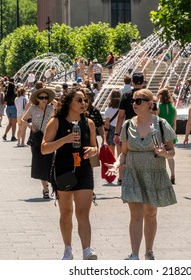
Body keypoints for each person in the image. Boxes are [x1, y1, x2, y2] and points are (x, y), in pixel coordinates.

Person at [105, 89, 177, 260]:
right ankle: (134, 254)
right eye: (133, 101)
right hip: (133, 173)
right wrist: (116, 165)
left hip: (154, 173)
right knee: (135, 215)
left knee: (151, 213)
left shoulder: (161, 124)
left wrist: (164, 153)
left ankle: (149, 251)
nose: (134, 104)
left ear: (149, 103)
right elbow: (123, 153)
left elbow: (172, 152)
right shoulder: (128, 125)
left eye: (138, 101)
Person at [41, 90, 98, 260]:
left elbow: (95, 146)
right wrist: (64, 140)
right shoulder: (56, 122)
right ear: (69, 102)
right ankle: (68, 249)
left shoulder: (89, 123)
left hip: (83, 170)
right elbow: (44, 148)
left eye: (85, 100)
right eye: (79, 100)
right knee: (66, 212)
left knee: (83, 212)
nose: (83, 103)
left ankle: (87, 250)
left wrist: (92, 150)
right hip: (63, 170)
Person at [22, 88, 55, 199]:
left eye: (46, 98)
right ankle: (45, 188)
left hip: (49, 137)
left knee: (51, 161)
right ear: (37, 99)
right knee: (40, 162)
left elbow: (56, 120)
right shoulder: (32, 109)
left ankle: (51, 184)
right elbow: (23, 119)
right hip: (37, 138)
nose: (44, 100)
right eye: (41, 98)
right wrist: (31, 126)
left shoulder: (51, 108)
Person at [157, 88, 177, 184]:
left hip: (161, 132)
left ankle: (163, 176)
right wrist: (173, 134)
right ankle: (172, 174)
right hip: (170, 133)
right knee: (170, 154)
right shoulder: (173, 107)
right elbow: (174, 123)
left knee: (161, 154)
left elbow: (156, 121)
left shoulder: (159, 107)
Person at [103, 89, 121, 157]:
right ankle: (120, 167)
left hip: (111, 129)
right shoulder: (122, 109)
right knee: (120, 153)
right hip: (120, 129)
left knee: (111, 153)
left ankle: (113, 166)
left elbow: (107, 124)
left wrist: (105, 137)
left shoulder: (108, 109)